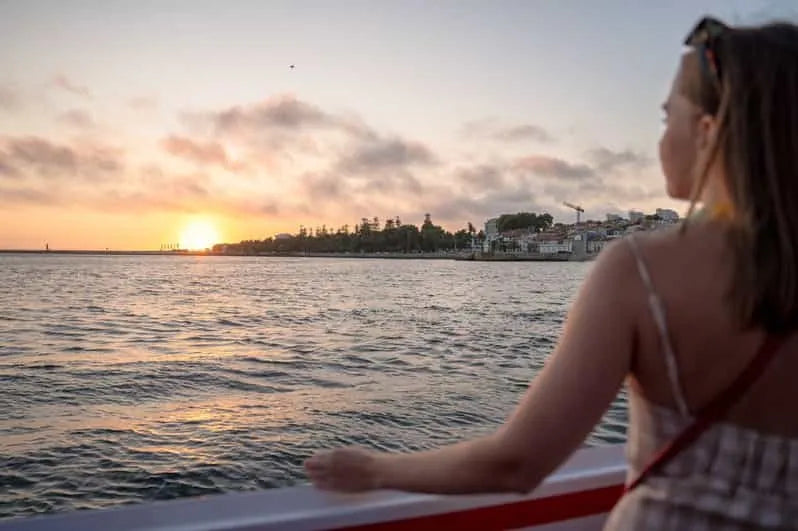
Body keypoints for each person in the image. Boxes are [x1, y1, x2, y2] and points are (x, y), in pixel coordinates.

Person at [306, 16, 798, 528]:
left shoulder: (641, 270)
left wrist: (373, 468)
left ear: (706, 133)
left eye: (664, 115)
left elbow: (517, 463)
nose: (660, 136)